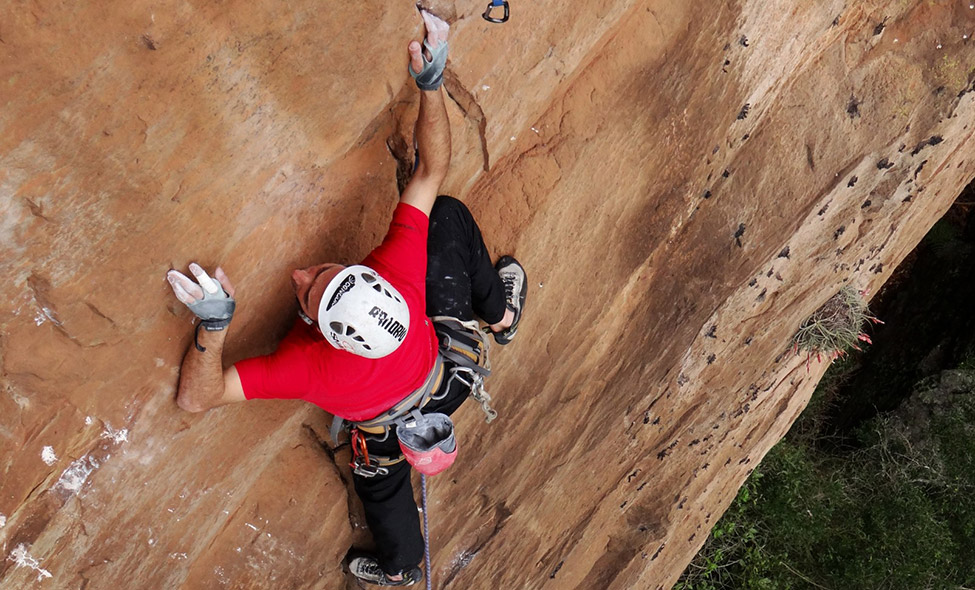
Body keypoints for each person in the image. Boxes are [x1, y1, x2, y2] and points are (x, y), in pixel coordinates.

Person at [165, 10, 527, 587]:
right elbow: (432, 169)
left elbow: (195, 400)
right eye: (324, 275)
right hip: (446, 381)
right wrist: (431, 84)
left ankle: (403, 566)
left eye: (309, 293)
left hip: (396, 413)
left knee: (380, 485)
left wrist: (213, 327)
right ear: (370, 276)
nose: (300, 274)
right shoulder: (396, 272)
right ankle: (499, 313)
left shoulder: (309, 368)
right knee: (447, 216)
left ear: (326, 337)